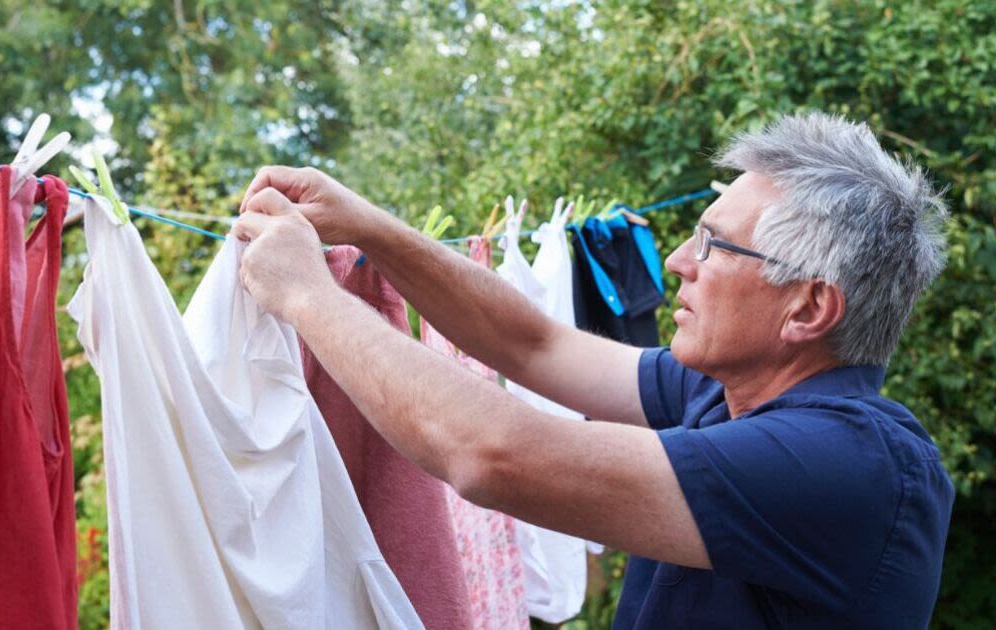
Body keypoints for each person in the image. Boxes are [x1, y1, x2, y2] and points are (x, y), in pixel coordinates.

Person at [229, 112, 954, 628]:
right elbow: (536, 345)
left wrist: (305, 295)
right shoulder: (724, 392)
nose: (678, 263)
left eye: (714, 246)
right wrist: (369, 226)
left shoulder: (847, 465)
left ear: (808, 308)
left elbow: (492, 454)